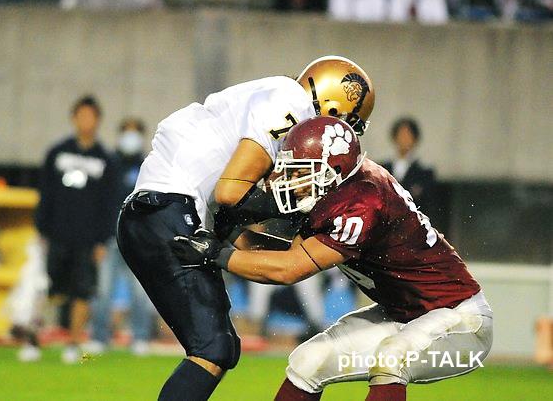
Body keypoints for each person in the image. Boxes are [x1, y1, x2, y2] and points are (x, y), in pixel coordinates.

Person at [170, 116, 493, 401]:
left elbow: (289, 270)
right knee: (309, 361)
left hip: (461, 322)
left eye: (301, 172)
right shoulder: (340, 192)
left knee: (393, 358)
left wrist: (217, 255)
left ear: (331, 172)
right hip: (406, 315)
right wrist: (231, 236)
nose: (291, 181)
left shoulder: (363, 201)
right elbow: (294, 255)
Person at [116, 56, 375, 401]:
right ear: (331, 104)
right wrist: (300, 208)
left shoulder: (271, 94)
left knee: (219, 346)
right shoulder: (291, 101)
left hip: (155, 214)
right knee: (214, 348)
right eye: (343, 124)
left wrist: (293, 251)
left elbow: (231, 219)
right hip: (170, 211)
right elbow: (230, 190)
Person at [35, 95, 117, 364]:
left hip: (88, 238)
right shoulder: (57, 152)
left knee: (82, 291)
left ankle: (73, 343)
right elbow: (45, 193)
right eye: (81, 115)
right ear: (73, 118)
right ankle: (36, 340)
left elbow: (109, 203)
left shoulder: (105, 159)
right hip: (57, 233)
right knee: (52, 288)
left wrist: (102, 241)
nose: (85, 121)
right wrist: (42, 229)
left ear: (98, 120)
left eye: (90, 116)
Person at [86, 117, 155, 356]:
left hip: (137, 240)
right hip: (109, 238)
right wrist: (98, 239)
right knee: (103, 291)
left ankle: (140, 336)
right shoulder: (108, 165)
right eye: (127, 132)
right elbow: (98, 205)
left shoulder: (150, 164)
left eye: (135, 132)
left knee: (140, 291)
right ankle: (99, 336)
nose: (131, 138)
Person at [381, 117, 437, 217]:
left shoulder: (424, 173)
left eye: (408, 135)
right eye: (401, 135)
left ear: (415, 139)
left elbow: (427, 205)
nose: (404, 139)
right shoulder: (382, 169)